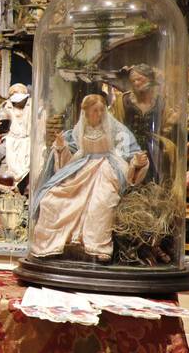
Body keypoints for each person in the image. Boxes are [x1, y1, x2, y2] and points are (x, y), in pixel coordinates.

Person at [32, 93, 148, 261]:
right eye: (95, 110)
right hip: (81, 168)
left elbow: (131, 154)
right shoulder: (76, 132)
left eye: (102, 110)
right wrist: (61, 147)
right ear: (85, 112)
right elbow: (64, 162)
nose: (99, 114)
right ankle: (59, 243)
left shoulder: (117, 130)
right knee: (52, 199)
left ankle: (96, 246)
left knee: (100, 202)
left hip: (106, 169)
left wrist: (137, 162)